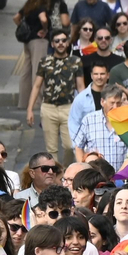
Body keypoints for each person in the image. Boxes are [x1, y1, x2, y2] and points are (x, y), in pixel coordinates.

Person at [27, 30, 83, 167]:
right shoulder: (45, 61)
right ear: (52, 43)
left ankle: (65, 172)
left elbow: (81, 87)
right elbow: (36, 86)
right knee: (51, 149)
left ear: (68, 42)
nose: (60, 43)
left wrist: (84, 110)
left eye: (63, 40)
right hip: (48, 108)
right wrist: (29, 110)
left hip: (69, 108)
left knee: (70, 146)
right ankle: (56, 176)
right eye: (57, 41)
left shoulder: (75, 61)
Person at [72, 79, 128, 166]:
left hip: (120, 176)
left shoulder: (127, 121)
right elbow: (78, 147)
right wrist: (83, 168)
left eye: (118, 103)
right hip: (96, 176)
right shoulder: (89, 120)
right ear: (102, 102)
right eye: (112, 103)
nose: (115, 107)